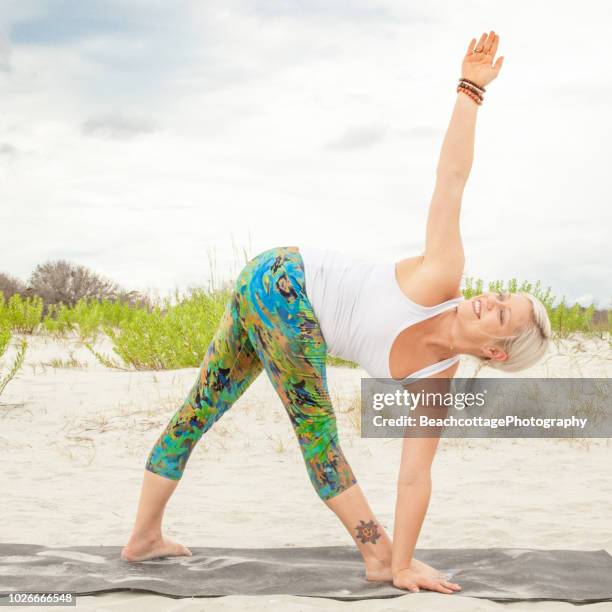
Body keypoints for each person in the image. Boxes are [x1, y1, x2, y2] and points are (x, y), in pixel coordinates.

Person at [121, 30, 552, 594]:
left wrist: (409, 560)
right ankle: (374, 555)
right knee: (317, 433)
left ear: (496, 352)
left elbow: (416, 478)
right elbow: (452, 180)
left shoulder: (434, 388)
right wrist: (470, 89)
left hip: (271, 295)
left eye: (500, 314)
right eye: (500, 296)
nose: (488, 299)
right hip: (282, 280)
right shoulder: (444, 273)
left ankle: (143, 538)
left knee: (203, 406)